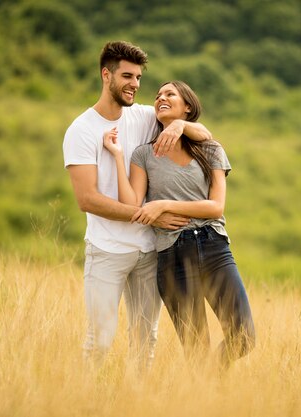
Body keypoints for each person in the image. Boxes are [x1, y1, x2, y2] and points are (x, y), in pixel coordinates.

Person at [62, 42, 212, 370]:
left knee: (146, 339)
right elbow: (86, 199)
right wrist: (152, 214)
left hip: (149, 253)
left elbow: (205, 134)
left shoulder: (145, 116)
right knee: (100, 338)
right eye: (127, 75)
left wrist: (179, 125)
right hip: (106, 251)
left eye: (139, 77)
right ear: (106, 75)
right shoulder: (81, 130)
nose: (135, 84)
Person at [103, 80, 255, 369]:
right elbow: (134, 204)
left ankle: (210, 380)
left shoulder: (209, 149)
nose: (161, 97)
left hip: (213, 248)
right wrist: (118, 156)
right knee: (196, 352)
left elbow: (215, 207)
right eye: (158, 94)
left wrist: (164, 205)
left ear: (188, 106)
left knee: (244, 336)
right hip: (172, 255)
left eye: (170, 94)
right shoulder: (143, 154)